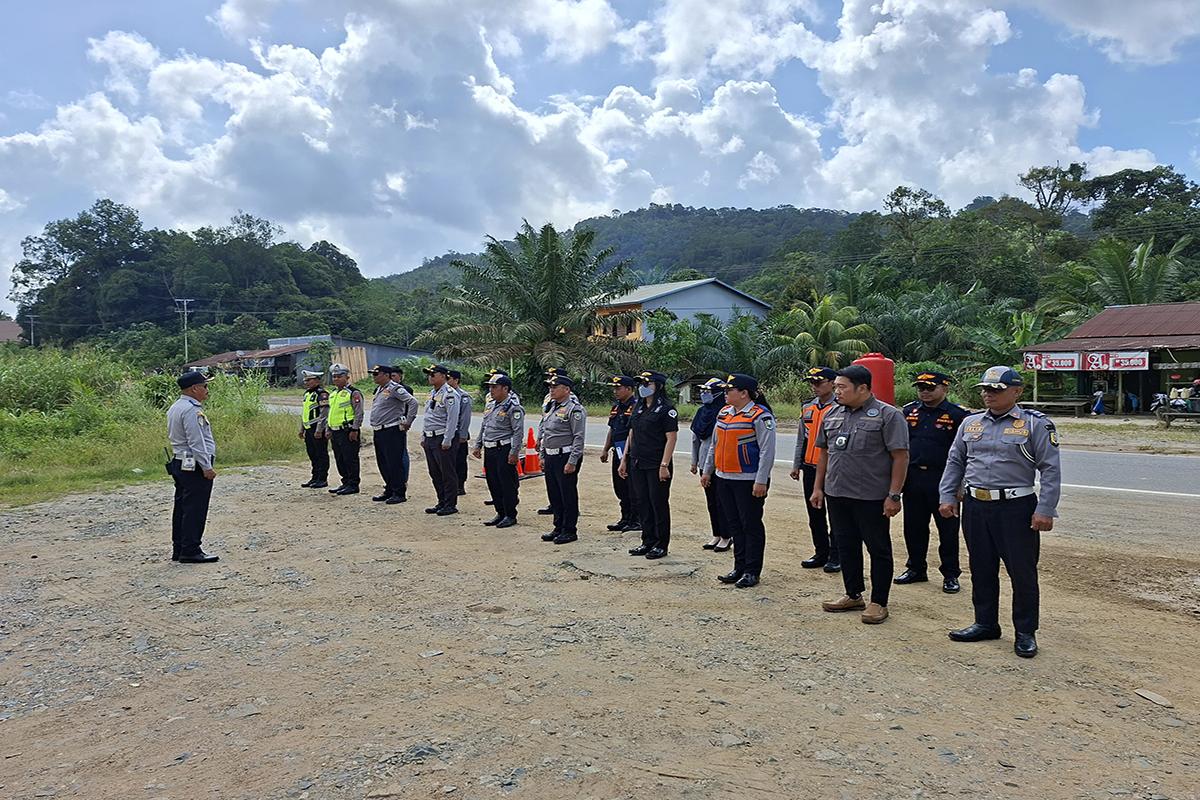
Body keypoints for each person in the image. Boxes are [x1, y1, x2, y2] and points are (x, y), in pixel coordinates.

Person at [939, 366, 1061, 659]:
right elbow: (955, 461)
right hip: (976, 506)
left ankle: (1025, 631)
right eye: (985, 389)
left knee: (1022, 572)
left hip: (1016, 508)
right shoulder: (970, 424)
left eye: (996, 390)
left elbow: (1050, 470)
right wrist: (947, 495)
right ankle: (985, 622)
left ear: (1017, 392)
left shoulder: (1035, 424)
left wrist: (1045, 509)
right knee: (981, 567)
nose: (988, 394)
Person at [811, 365, 909, 625]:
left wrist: (894, 495)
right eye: (836, 387)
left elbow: (900, 456)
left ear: (863, 388)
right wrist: (818, 487)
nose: (837, 391)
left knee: (878, 549)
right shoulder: (832, 414)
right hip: (837, 493)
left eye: (842, 387)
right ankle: (853, 594)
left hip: (871, 497)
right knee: (846, 545)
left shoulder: (888, 416)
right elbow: (824, 453)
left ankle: (879, 601)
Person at [895, 371, 969, 592]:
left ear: (944, 388)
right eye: (921, 388)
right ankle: (916, 568)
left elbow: (965, 454)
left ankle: (950, 574)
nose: (925, 392)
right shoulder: (909, 411)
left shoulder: (957, 415)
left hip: (943, 479)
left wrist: (959, 484)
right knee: (914, 528)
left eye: (930, 387)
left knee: (947, 530)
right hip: (914, 477)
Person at [700, 373, 776, 588]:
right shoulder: (724, 412)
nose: (725, 394)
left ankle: (752, 570)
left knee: (750, 525)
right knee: (734, 524)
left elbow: (767, 451)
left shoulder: (760, 416)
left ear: (744, 393)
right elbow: (715, 445)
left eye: (729, 390)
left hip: (748, 480)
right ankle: (739, 567)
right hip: (724, 478)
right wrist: (708, 471)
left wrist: (761, 480)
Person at [620, 370, 679, 559]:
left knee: (658, 503)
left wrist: (664, 464)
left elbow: (671, 438)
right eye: (641, 384)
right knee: (642, 502)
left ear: (658, 386)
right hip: (637, 461)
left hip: (656, 464)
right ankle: (647, 540)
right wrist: (624, 459)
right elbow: (631, 433)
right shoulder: (638, 407)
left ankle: (661, 543)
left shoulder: (666, 409)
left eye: (647, 384)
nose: (643, 388)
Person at [166, 371, 219, 563]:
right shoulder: (191, 410)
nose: (206, 391)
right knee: (195, 508)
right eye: (204, 387)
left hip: (181, 462)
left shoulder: (176, 406)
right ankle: (190, 550)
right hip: (194, 464)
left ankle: (179, 547)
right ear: (194, 389)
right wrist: (206, 466)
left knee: (182, 507)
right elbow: (196, 441)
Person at [789, 367, 839, 571]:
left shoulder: (840, 407)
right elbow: (802, 437)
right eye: (812, 382)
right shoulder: (808, 407)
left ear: (832, 383)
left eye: (819, 382)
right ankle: (821, 552)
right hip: (810, 466)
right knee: (815, 513)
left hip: (834, 469)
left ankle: (837, 555)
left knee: (837, 515)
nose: (814, 386)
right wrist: (796, 464)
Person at [538, 374, 586, 544]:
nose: (551, 389)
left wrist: (572, 461)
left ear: (566, 390)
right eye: (550, 387)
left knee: (567, 495)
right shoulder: (552, 406)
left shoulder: (575, 409)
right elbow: (546, 432)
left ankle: (569, 530)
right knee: (554, 495)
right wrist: (542, 455)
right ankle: (558, 527)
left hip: (564, 456)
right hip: (551, 455)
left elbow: (578, 438)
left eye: (555, 387)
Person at [473, 373, 525, 528]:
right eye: (490, 387)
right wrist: (478, 444)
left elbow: (518, 432)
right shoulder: (490, 405)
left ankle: (510, 514)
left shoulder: (513, 407)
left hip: (504, 448)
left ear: (505, 388)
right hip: (490, 448)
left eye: (494, 387)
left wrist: (514, 453)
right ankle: (500, 512)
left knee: (506, 483)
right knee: (493, 482)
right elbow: (485, 426)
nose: (491, 390)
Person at [368, 364, 417, 504]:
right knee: (383, 462)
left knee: (394, 462)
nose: (374, 376)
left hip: (392, 430)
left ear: (386, 375)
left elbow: (412, 402)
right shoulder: (379, 389)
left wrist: (408, 421)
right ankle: (389, 489)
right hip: (379, 430)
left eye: (376, 374)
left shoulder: (395, 388)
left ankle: (399, 492)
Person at [691, 377, 730, 553]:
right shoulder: (702, 412)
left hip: (720, 465)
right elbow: (695, 439)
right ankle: (716, 534)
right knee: (711, 502)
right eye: (703, 391)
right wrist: (694, 462)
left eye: (708, 391)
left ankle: (726, 536)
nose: (704, 394)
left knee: (723, 501)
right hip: (703, 462)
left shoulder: (725, 411)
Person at [601, 375, 640, 532]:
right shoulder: (616, 406)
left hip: (630, 452)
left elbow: (633, 431)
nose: (615, 391)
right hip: (617, 451)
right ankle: (625, 518)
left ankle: (636, 520)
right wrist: (605, 449)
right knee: (620, 486)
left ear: (629, 389)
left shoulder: (636, 406)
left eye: (618, 388)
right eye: (614, 388)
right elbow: (612, 429)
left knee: (633, 487)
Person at [421, 364, 460, 516]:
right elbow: (428, 416)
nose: (430, 377)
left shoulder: (450, 394)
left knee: (447, 472)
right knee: (435, 472)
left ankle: (450, 504)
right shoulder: (432, 393)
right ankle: (441, 501)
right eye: (429, 374)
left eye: (433, 374)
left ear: (443, 376)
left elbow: (452, 419)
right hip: (431, 437)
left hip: (442, 437)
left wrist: (447, 439)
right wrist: (424, 435)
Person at [326, 363, 363, 495]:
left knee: (350, 458)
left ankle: (353, 484)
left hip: (348, 430)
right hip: (335, 430)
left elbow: (359, 413)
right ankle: (345, 482)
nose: (336, 379)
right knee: (339, 458)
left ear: (347, 377)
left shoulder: (353, 392)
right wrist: (328, 428)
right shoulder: (333, 394)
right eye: (334, 376)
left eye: (339, 376)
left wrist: (355, 429)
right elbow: (330, 412)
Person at [389, 365, 419, 497]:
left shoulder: (405, 389)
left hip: (399, 424)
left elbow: (411, 404)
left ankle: (403, 479)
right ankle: (392, 482)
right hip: (387, 425)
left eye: (394, 376)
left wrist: (407, 421)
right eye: (390, 376)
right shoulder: (384, 388)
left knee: (401, 453)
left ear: (400, 376)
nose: (392, 378)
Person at [298, 369, 330, 489]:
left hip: (317, 429)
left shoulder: (322, 394)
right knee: (312, 454)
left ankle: (322, 479)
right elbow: (305, 412)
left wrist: (319, 429)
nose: (306, 382)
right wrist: (302, 428)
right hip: (308, 428)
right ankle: (314, 477)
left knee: (321, 454)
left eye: (309, 380)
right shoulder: (307, 394)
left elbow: (324, 414)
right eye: (305, 380)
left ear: (317, 381)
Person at [447, 369, 473, 496]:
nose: (447, 381)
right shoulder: (444, 394)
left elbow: (465, 417)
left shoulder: (463, 397)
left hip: (458, 433)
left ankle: (460, 485)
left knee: (460, 461)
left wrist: (463, 435)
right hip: (447, 433)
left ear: (456, 380)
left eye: (449, 379)